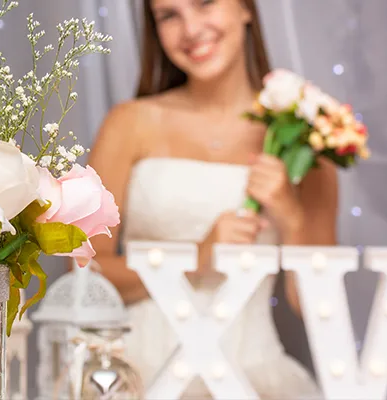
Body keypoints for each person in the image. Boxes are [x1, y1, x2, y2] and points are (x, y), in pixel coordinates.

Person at [86, 0, 337, 397]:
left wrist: (291, 218)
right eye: (169, 15)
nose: (190, 28)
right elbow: (86, 275)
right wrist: (194, 258)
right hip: (138, 375)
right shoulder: (128, 124)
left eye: (205, 3)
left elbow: (322, 310)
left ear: (246, 9)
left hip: (256, 378)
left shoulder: (306, 139)